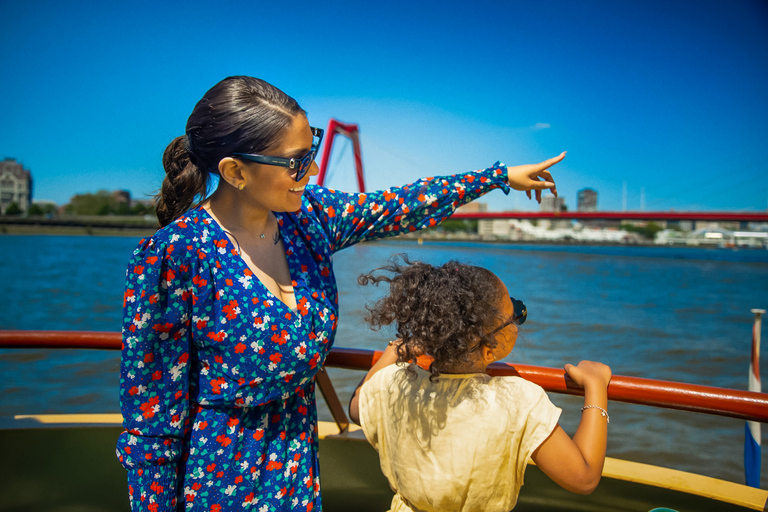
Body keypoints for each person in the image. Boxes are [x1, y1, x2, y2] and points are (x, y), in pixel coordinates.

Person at [116, 75, 566, 512]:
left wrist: (498, 175)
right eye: (295, 161)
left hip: (298, 471)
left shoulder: (307, 218)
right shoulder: (174, 255)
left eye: (311, 149)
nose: (311, 169)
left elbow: (398, 206)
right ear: (235, 171)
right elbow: (153, 420)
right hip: (218, 481)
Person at [349, 257, 612, 512]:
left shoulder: (394, 385)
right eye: (516, 314)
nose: (518, 318)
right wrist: (596, 385)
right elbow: (584, 477)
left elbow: (356, 405)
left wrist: (395, 350)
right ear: (489, 349)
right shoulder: (518, 402)